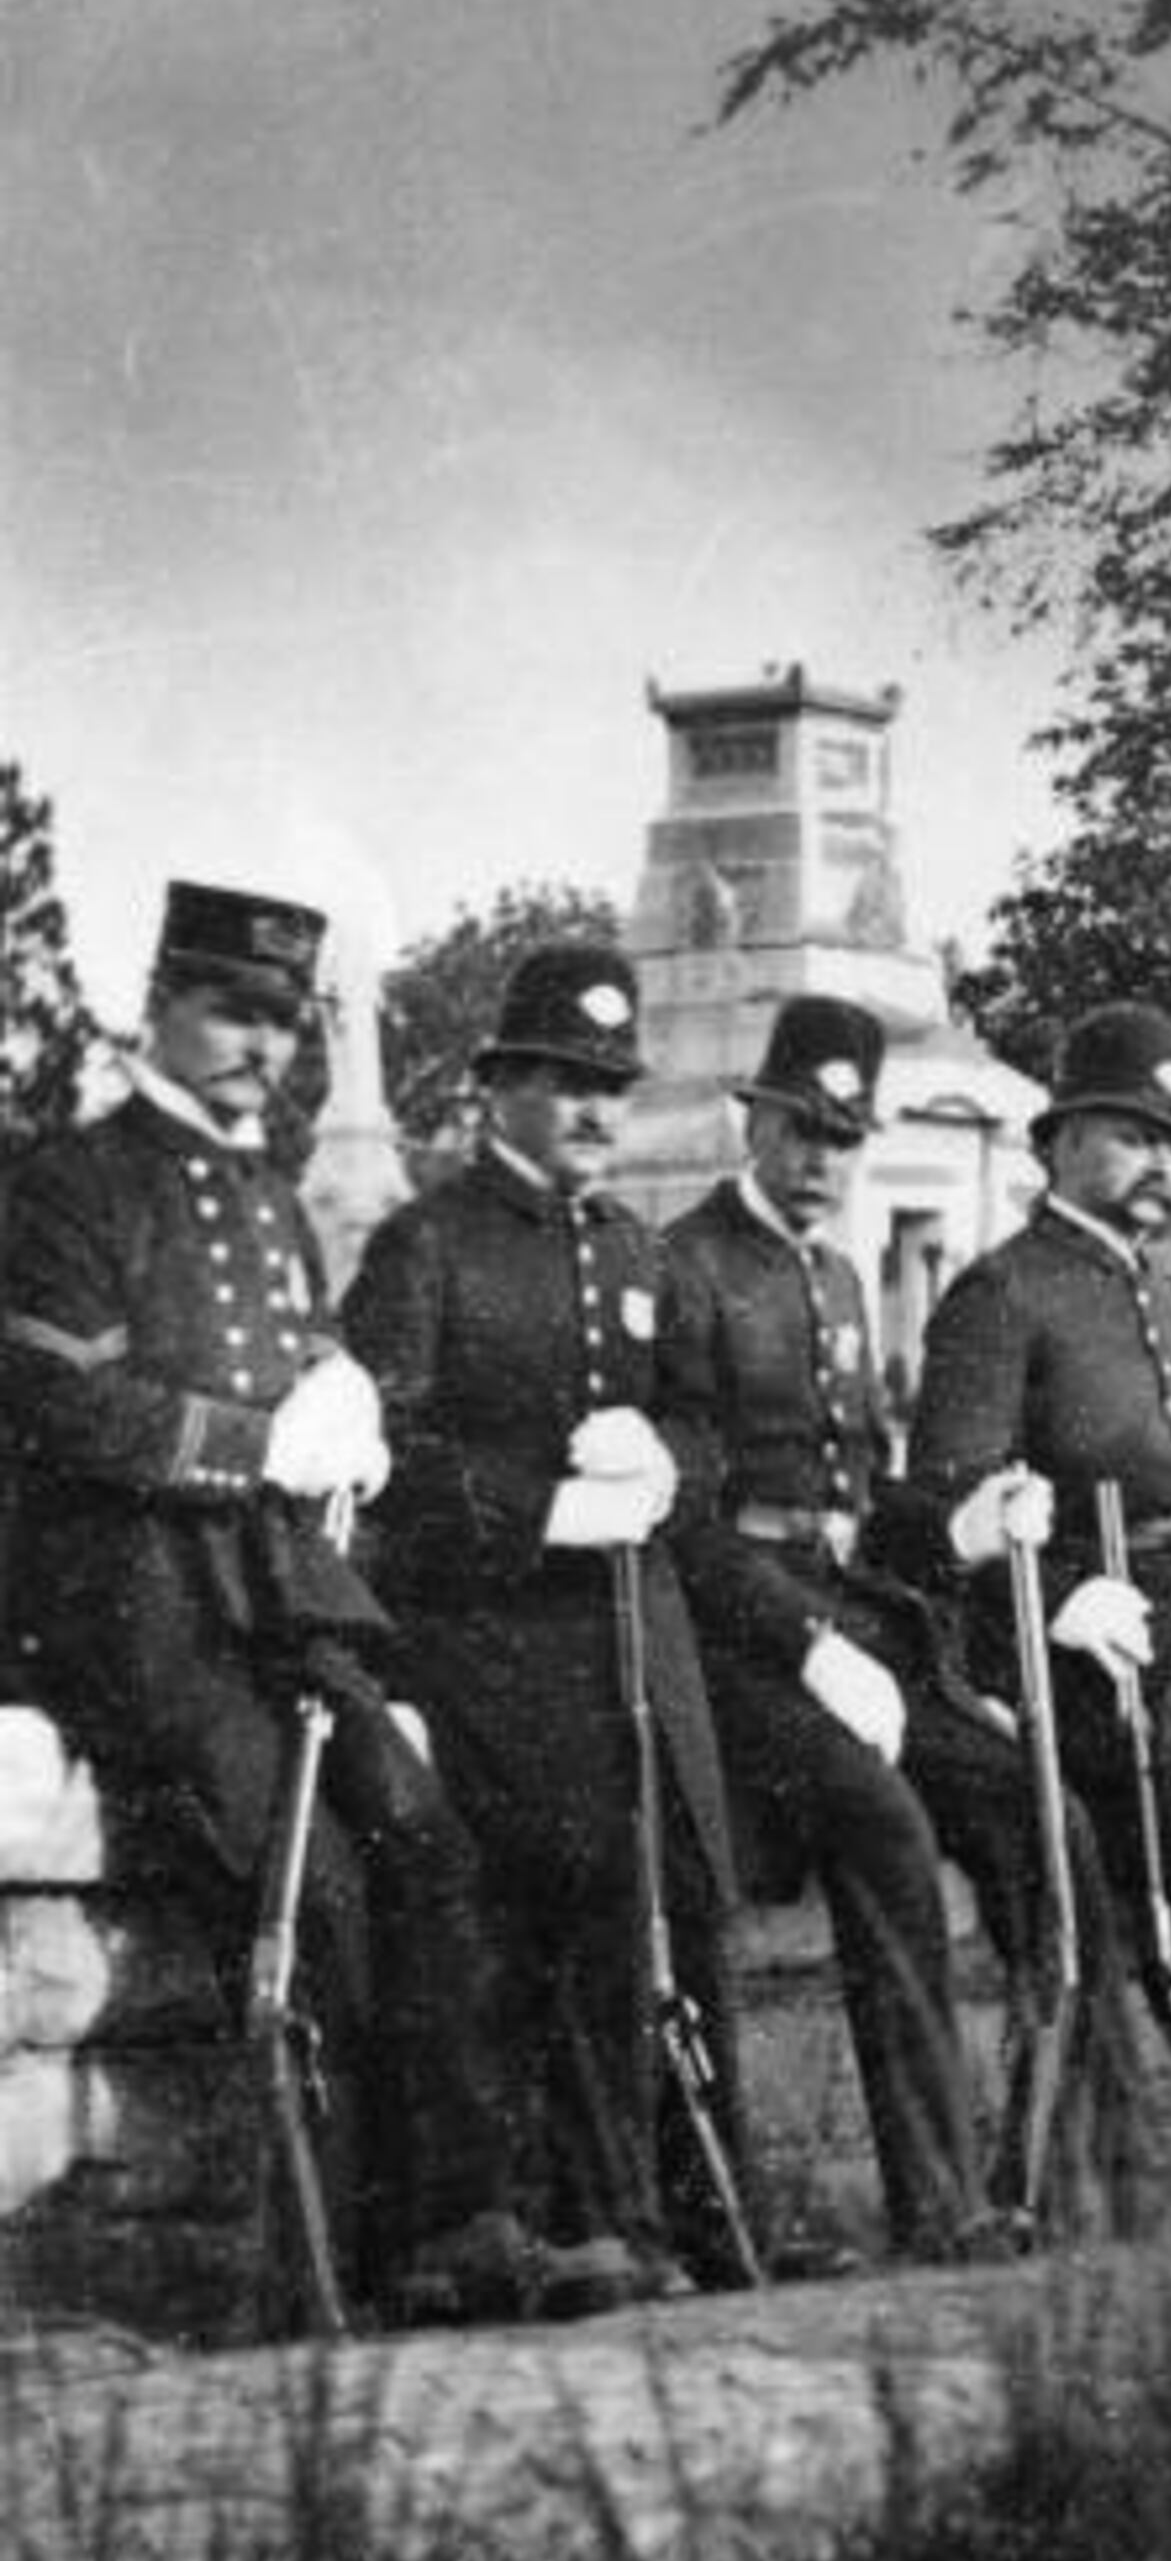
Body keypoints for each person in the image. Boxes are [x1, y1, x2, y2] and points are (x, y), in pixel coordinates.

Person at [0, 883, 635, 2328]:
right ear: (159, 1006)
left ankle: (460, 2223)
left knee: (428, 1836)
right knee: (321, 1890)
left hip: (277, 1600)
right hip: (132, 1613)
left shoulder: (277, 1205)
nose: (261, 1046)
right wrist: (253, 1445)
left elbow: (313, 1389)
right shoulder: (74, 1185)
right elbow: (51, 1399)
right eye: (232, 1010)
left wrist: (340, 1416)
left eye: (284, 1022)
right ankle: (333, 2258)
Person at [343, 940, 790, 2294]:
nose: (597, 1109)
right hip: (481, 1641)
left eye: (612, 1086)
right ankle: (511, 2226)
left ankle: (628, 2219)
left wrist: (663, 1463)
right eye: (566, 1082)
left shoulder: (635, 1251)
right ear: (500, 1090)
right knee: (516, 1922)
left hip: (619, 1643)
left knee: (629, 1912)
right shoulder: (429, 1244)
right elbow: (383, 1453)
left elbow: (707, 1431)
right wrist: (544, 1506)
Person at [894, 1001, 1171, 2211]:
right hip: (1090, 1646)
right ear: (1059, 1143)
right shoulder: (1003, 1295)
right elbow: (947, 1506)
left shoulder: (1144, 1288)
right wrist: (1057, 1599)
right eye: (1134, 1136)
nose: (1162, 1163)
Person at [650, 996, 1052, 2261]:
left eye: (844, 1138)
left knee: (1025, 1799)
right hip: (741, 1640)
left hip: (851, 1620)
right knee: (886, 1825)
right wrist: (806, 1645)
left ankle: (1046, 2165)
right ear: (755, 1125)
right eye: (803, 1131)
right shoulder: (690, 1267)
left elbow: (865, 1499)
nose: (823, 1160)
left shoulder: (835, 1276)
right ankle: (939, 2206)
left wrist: (958, 1533)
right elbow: (688, 1518)